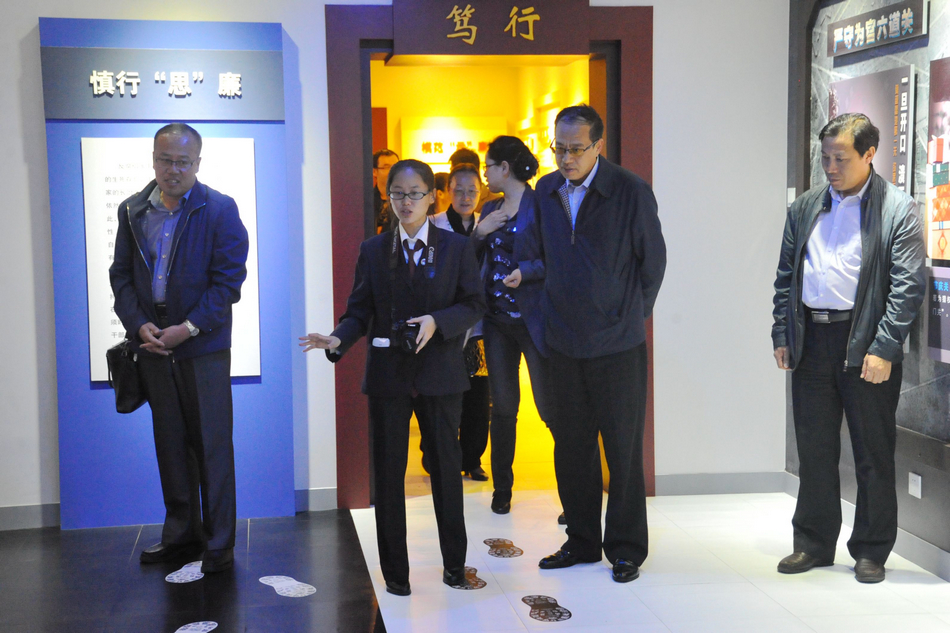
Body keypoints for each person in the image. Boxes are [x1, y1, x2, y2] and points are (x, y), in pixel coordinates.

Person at [300, 159, 486, 597]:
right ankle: (396, 575)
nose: (406, 202)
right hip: (389, 378)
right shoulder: (374, 250)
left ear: (431, 197)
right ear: (388, 198)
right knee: (387, 476)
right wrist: (339, 338)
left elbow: (474, 304)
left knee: (446, 472)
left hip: (440, 377)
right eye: (397, 194)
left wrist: (437, 322)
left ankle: (454, 566)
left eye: (415, 193)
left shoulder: (456, 248)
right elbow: (359, 311)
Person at [771, 113, 925, 583]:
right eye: (825, 158)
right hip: (811, 340)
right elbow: (785, 276)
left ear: (869, 154)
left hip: (866, 342)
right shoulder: (807, 206)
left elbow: (907, 286)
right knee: (814, 449)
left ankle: (871, 550)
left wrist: (884, 347)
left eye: (840, 158)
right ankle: (813, 544)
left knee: (872, 451)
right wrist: (783, 333)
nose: (830, 168)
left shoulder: (897, 208)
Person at [109, 123, 249, 574]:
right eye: (165, 160)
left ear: (198, 163)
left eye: (183, 162)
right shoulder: (132, 209)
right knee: (170, 444)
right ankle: (181, 535)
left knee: (212, 445)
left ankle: (219, 543)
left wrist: (186, 328)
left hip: (203, 346)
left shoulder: (220, 209)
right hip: (153, 345)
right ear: (153, 159)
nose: (173, 170)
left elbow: (228, 283)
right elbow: (121, 275)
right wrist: (139, 325)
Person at [534, 105, 666, 584]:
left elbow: (653, 263)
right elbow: (542, 256)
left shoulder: (629, 190)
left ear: (598, 146)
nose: (566, 158)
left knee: (622, 450)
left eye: (576, 149)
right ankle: (582, 540)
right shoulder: (546, 191)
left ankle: (626, 549)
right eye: (559, 148)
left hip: (617, 347)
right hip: (563, 344)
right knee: (571, 447)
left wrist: (626, 314)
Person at [471, 136, 554, 515]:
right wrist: (479, 232)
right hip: (497, 323)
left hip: (534, 322)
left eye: (488, 166)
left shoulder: (541, 206)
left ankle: (574, 493)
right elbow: (471, 260)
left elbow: (557, 258)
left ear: (505, 168)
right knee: (502, 408)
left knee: (549, 408)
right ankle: (501, 489)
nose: (485, 174)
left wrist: (527, 272)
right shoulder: (490, 208)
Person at [432, 163, 491, 481]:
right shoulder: (434, 225)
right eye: (459, 190)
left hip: (479, 326)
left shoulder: (487, 224)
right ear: (447, 191)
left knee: (479, 397)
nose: (466, 197)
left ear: (481, 192)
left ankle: (473, 458)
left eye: (472, 191)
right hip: (444, 324)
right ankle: (439, 456)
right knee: (443, 396)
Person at [373, 149, 400, 233]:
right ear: (375, 171)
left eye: (395, 167)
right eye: (386, 167)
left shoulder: (407, 198)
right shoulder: (366, 200)